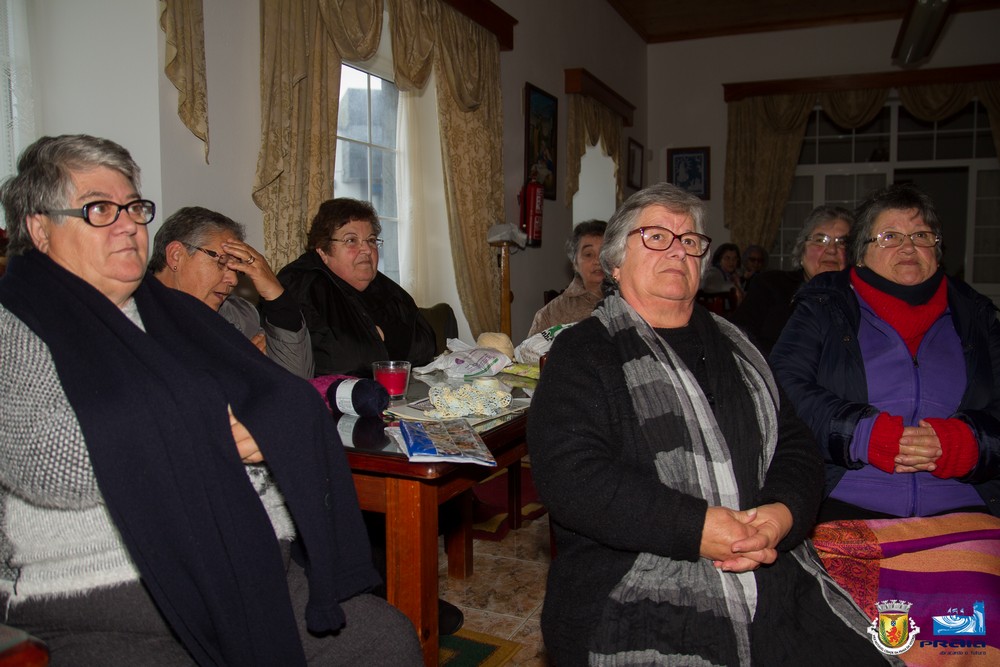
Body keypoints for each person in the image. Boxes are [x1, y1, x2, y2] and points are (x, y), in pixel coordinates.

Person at [0, 134, 421, 665]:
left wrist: (263, 424)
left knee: (386, 639)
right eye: (100, 209)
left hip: (249, 569)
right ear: (40, 229)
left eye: (134, 207)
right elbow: (47, 461)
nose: (129, 225)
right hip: (108, 595)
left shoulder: (174, 314)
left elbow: (285, 393)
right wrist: (213, 431)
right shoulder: (14, 323)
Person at [527, 182, 888, 666]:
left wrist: (781, 515)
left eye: (691, 241)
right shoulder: (583, 351)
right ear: (615, 263)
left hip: (767, 561)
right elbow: (572, 477)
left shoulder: (740, 346)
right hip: (626, 576)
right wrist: (697, 528)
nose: (678, 250)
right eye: (657, 237)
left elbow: (795, 443)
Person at [770, 184, 1000, 663]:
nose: (908, 246)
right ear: (861, 253)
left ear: (938, 249)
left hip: (961, 510)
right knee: (837, 629)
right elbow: (782, 390)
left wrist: (965, 443)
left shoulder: (977, 315)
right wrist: (863, 434)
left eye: (922, 235)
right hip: (846, 504)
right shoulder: (824, 307)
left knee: (970, 627)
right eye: (890, 236)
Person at [150, 206, 314, 379]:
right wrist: (240, 368)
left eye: (236, 268)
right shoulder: (136, 316)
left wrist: (277, 297)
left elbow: (298, 380)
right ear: (176, 255)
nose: (234, 280)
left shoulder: (239, 316)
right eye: (222, 262)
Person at [278, 198, 436, 378]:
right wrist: (378, 338)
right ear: (323, 251)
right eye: (351, 240)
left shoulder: (381, 284)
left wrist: (383, 336)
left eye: (371, 240)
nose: (367, 249)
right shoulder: (301, 283)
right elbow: (343, 361)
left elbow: (427, 344)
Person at [730, 205, 853, 354]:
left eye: (842, 242)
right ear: (802, 251)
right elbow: (736, 339)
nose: (832, 250)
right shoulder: (770, 286)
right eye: (820, 240)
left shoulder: (858, 301)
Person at [526, 219, 606, 337]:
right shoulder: (551, 314)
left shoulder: (629, 299)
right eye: (588, 254)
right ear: (574, 263)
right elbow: (532, 348)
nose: (598, 261)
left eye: (604, 253)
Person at [700, 241, 744, 306]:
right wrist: (735, 286)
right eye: (727, 258)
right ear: (719, 259)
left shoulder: (735, 274)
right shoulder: (713, 272)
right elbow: (709, 287)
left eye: (734, 258)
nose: (731, 262)